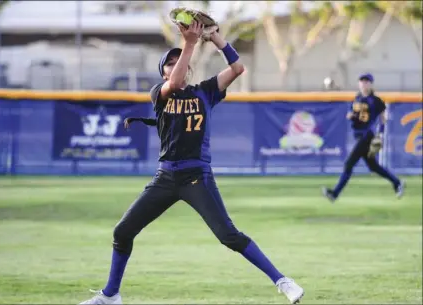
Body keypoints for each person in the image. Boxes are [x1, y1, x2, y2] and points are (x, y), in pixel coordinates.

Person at [80, 21, 304, 305]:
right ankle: (111, 295)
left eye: (180, 62)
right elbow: (173, 83)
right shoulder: (159, 93)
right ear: (162, 73)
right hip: (165, 178)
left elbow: (237, 69)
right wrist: (189, 43)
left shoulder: (206, 91)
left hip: (196, 177)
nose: (176, 66)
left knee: (228, 235)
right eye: (169, 64)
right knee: (122, 231)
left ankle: (283, 281)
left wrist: (217, 40)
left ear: (190, 68)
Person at [323, 73, 405, 202]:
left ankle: (335, 193)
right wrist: (351, 116)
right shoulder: (357, 98)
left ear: (371, 84)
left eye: (367, 81)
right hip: (359, 135)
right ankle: (397, 182)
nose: (364, 83)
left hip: (367, 135)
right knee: (373, 167)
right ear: (359, 83)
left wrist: (381, 134)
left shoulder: (375, 100)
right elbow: (354, 115)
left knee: (348, 164)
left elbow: (383, 118)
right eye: (362, 81)